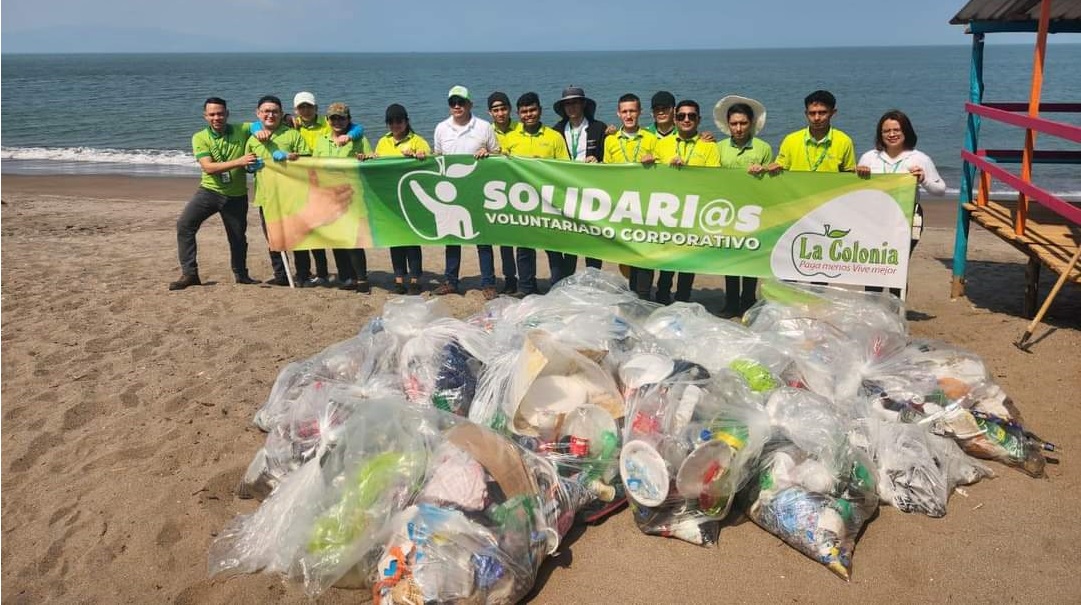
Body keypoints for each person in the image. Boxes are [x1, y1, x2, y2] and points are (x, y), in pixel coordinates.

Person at [169, 97, 267, 290]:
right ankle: (190, 274)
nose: (217, 117)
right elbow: (208, 167)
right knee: (185, 225)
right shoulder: (200, 137)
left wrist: (259, 130)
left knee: (238, 237)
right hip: (209, 192)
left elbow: (257, 123)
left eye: (220, 113)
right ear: (205, 116)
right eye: (212, 114)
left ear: (227, 114)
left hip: (237, 195)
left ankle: (241, 275)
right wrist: (240, 161)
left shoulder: (241, 129)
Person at [856, 109, 946, 296]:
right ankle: (873, 311)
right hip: (875, 220)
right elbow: (857, 192)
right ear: (880, 135)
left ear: (906, 131)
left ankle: (897, 312)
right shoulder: (869, 157)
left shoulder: (919, 158)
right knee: (874, 265)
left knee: (897, 266)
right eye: (886, 131)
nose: (892, 134)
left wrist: (923, 179)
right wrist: (859, 175)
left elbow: (940, 190)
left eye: (896, 130)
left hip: (908, 218)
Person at [431, 85, 501, 299]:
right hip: (451, 192)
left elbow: (497, 154)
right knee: (452, 238)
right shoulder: (441, 128)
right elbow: (437, 157)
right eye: (453, 102)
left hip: (478, 190)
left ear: (470, 104)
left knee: (483, 238)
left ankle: (488, 283)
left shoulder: (483, 127)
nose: (457, 106)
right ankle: (451, 281)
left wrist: (487, 153)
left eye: (461, 102)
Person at [501, 92, 570, 296]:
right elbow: (501, 167)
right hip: (522, 200)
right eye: (524, 112)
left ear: (540, 110)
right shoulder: (510, 139)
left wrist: (545, 165)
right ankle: (526, 287)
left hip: (549, 199)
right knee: (524, 248)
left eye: (532, 110)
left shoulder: (554, 137)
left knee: (554, 246)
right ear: (519, 113)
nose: (528, 115)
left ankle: (557, 287)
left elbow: (566, 167)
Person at [652, 99, 720, 304]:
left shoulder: (709, 146)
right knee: (667, 257)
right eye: (681, 116)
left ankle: (683, 298)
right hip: (668, 211)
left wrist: (689, 169)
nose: (686, 119)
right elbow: (651, 176)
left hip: (695, 210)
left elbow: (715, 178)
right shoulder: (662, 144)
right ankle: (662, 296)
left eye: (691, 116)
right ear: (675, 118)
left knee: (688, 258)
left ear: (699, 119)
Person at [713, 95, 774, 314]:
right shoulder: (717, 147)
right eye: (734, 123)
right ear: (728, 124)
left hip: (754, 212)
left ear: (751, 124)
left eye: (743, 123)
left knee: (750, 258)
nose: (738, 128)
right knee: (730, 259)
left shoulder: (763, 148)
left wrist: (767, 170)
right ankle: (730, 303)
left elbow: (771, 183)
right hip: (727, 211)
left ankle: (748, 303)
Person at [245, 95, 312, 287]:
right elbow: (246, 165)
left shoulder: (293, 135)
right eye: (266, 111)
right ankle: (281, 275)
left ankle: (303, 275)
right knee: (273, 238)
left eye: (275, 111)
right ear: (258, 114)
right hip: (267, 197)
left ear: (282, 114)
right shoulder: (252, 139)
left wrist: (293, 158)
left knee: (299, 237)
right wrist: (251, 166)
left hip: (293, 196)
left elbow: (308, 161)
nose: (270, 115)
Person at [312, 101, 374, 293]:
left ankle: (361, 278)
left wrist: (366, 158)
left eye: (342, 118)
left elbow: (372, 159)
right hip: (329, 195)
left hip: (352, 194)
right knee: (338, 237)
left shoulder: (359, 138)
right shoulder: (321, 140)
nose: (337, 121)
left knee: (353, 237)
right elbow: (314, 164)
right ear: (327, 119)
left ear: (349, 119)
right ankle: (346, 277)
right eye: (334, 118)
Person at [602, 93, 658, 300]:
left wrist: (655, 160)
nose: (628, 115)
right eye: (624, 111)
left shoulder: (652, 139)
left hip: (645, 205)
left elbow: (662, 173)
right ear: (618, 113)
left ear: (640, 112)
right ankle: (632, 293)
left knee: (644, 252)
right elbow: (606, 172)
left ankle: (643, 296)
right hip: (621, 205)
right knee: (626, 254)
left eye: (632, 111)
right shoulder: (610, 140)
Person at [373, 103, 432, 295]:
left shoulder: (418, 141)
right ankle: (398, 279)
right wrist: (370, 158)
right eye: (391, 121)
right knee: (395, 240)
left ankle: (415, 279)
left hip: (411, 196)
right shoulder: (383, 142)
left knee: (411, 239)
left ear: (406, 121)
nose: (395, 124)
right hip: (390, 197)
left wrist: (418, 156)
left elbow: (431, 165)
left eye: (399, 120)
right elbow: (377, 165)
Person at [551, 86, 607, 280]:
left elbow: (608, 159)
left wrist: (599, 162)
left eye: (575, 102)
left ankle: (593, 282)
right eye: (567, 103)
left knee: (592, 238)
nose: (571, 107)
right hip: (564, 192)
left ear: (583, 104)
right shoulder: (555, 131)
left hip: (591, 192)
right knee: (567, 240)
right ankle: (566, 282)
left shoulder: (600, 128)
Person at [769, 89, 855, 174]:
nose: (816, 118)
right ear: (806, 114)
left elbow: (849, 174)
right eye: (812, 113)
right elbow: (780, 168)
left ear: (833, 113)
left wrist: (861, 171)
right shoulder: (791, 140)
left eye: (822, 113)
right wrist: (773, 167)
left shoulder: (844, 141)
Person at [487, 91, 520, 294]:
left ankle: (526, 279)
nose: (500, 113)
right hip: (495, 191)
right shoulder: (484, 131)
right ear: (490, 112)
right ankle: (509, 278)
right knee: (504, 240)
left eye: (503, 109)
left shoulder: (521, 129)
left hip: (520, 189)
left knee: (525, 239)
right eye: (496, 110)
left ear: (510, 110)